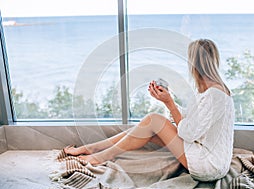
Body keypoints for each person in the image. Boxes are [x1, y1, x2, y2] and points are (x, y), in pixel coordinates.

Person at [65, 39, 235, 181]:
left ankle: (99, 155)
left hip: (208, 165)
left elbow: (189, 133)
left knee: (153, 120)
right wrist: (168, 99)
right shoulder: (208, 91)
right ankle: (94, 149)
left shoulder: (215, 95)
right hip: (203, 152)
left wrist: (169, 104)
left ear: (194, 64)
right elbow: (193, 121)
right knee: (148, 128)